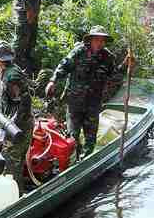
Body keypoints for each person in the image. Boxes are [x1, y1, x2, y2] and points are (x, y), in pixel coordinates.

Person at [45, 26, 133, 158]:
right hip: (74, 102)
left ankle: (86, 161)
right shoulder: (79, 52)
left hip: (93, 103)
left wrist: (126, 65)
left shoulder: (107, 57)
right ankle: (71, 163)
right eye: (97, 39)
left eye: (102, 40)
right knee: (72, 137)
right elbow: (64, 66)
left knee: (90, 140)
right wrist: (53, 81)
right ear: (90, 40)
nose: (100, 43)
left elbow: (114, 75)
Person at [0, 40, 32, 189]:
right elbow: (3, 96)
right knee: (4, 160)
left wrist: (12, 124)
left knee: (12, 166)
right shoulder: (2, 71)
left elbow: (24, 102)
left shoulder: (12, 76)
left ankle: (16, 196)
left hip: (18, 126)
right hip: (7, 124)